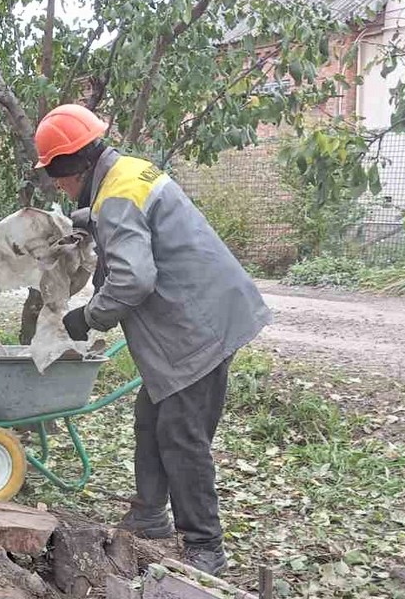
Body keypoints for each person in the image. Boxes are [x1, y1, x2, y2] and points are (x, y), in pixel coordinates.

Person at [35, 104, 271, 574]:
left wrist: (87, 318)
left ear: (72, 167)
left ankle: (205, 546)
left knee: (182, 434)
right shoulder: (126, 172)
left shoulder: (117, 195)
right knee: (152, 415)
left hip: (198, 326)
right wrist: (79, 223)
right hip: (207, 309)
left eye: (56, 178)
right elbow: (121, 216)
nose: (58, 186)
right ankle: (149, 515)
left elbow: (133, 280)